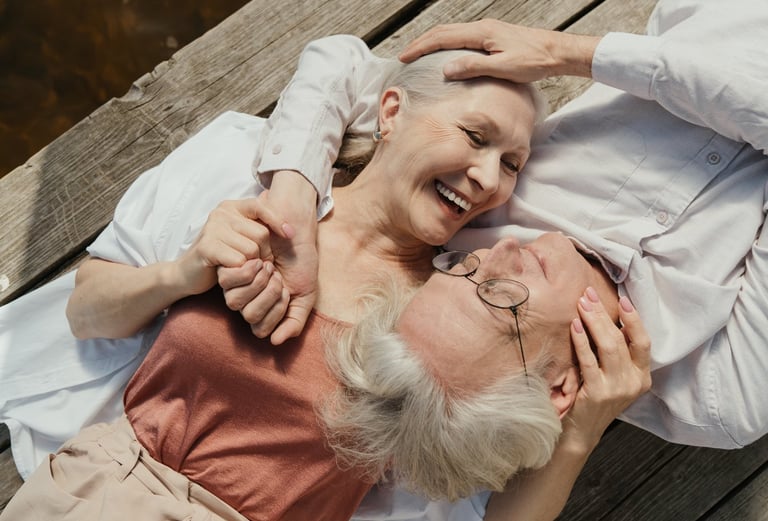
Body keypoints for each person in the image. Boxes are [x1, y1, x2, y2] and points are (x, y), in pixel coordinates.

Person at [1, 42, 647, 521]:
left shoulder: (443, 323)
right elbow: (86, 314)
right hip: (82, 488)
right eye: (475, 137)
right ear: (389, 112)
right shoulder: (247, 177)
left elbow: (487, 512)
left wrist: (583, 430)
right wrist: (183, 273)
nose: (487, 177)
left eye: (511, 164)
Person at [243, 0, 768, 458]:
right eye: (499, 297)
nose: (500, 252)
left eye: (461, 269)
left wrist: (292, 205)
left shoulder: (465, 206)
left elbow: (343, 66)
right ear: (556, 389)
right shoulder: (720, 394)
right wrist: (582, 55)